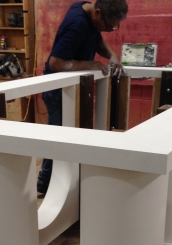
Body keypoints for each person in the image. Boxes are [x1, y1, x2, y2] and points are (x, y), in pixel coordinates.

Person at [37, 0, 129, 194]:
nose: (109, 30)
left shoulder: (86, 9)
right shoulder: (77, 24)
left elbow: (97, 39)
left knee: (67, 137)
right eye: (108, 26)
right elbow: (56, 63)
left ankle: (62, 184)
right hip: (58, 91)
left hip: (72, 88)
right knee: (58, 139)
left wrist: (112, 55)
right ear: (97, 13)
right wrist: (91, 64)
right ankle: (45, 185)